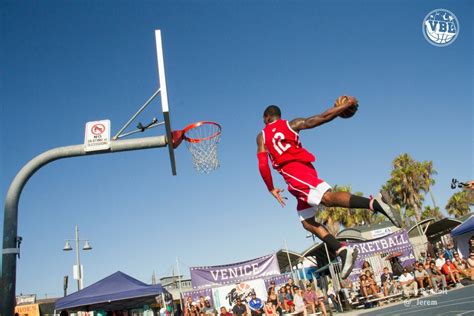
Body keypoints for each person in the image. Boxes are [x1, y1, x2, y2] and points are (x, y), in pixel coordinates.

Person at [256, 101, 402, 279]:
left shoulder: (262, 136)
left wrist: (271, 188)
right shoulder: (291, 124)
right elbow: (319, 118)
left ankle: (375, 203)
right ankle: (341, 250)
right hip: (305, 168)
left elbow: (263, 164)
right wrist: (341, 108)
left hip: (293, 173)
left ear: (266, 118)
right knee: (307, 221)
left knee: (326, 198)